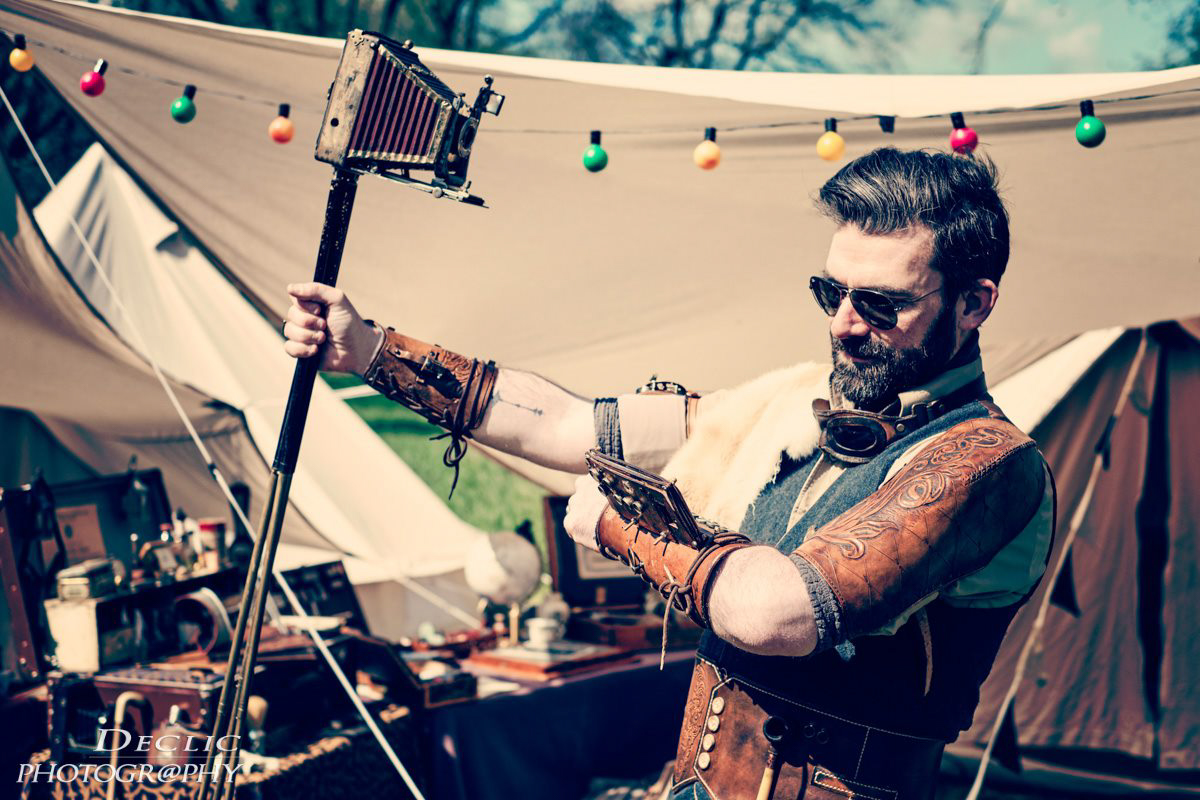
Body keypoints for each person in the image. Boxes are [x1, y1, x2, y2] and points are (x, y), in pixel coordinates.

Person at [282, 147, 1054, 800]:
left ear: (975, 303)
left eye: (881, 305)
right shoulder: (787, 399)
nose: (844, 324)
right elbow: (565, 424)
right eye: (831, 291)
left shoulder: (990, 464)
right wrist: (372, 351)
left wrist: (622, 529)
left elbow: (777, 613)